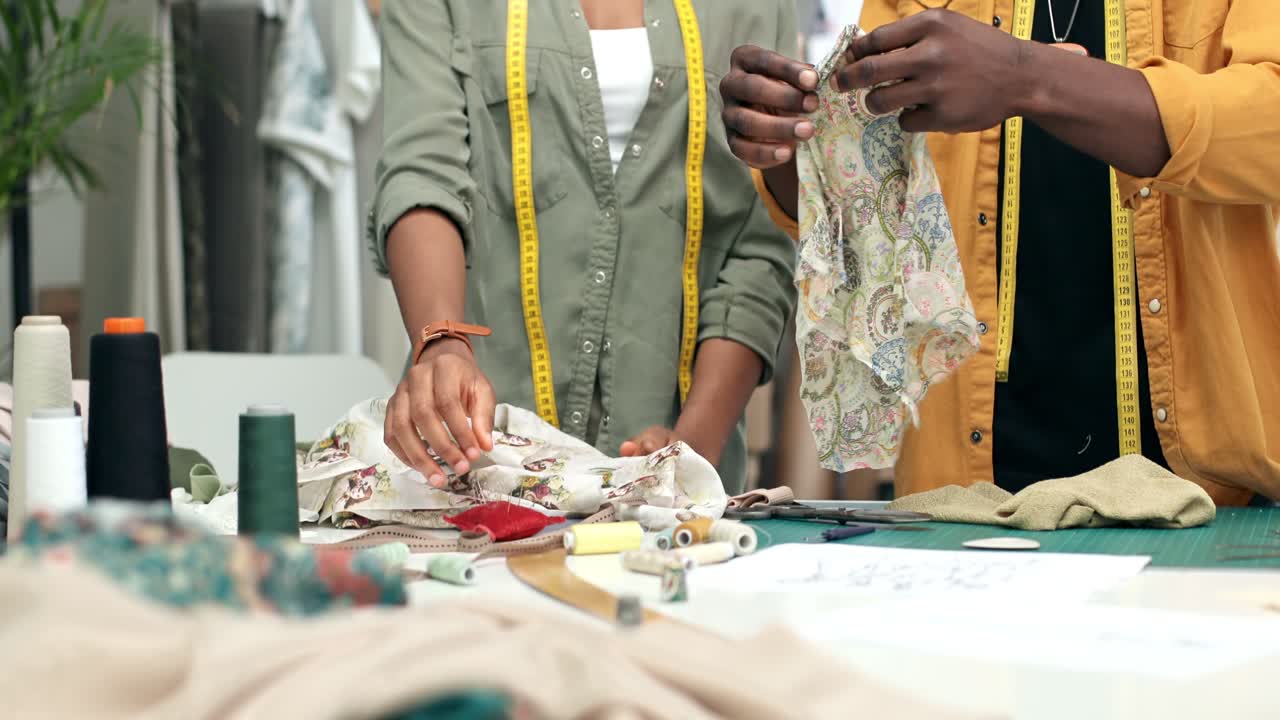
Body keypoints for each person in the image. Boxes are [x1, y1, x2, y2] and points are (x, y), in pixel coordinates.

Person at [719, 1, 1280, 503]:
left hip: (1209, 495)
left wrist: (1028, 76)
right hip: (967, 498)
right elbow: (872, 219)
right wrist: (793, 143)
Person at [369, 0, 798, 494]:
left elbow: (760, 238)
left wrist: (693, 447)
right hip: (475, 457)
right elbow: (422, 170)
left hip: (672, 488)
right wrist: (441, 346)